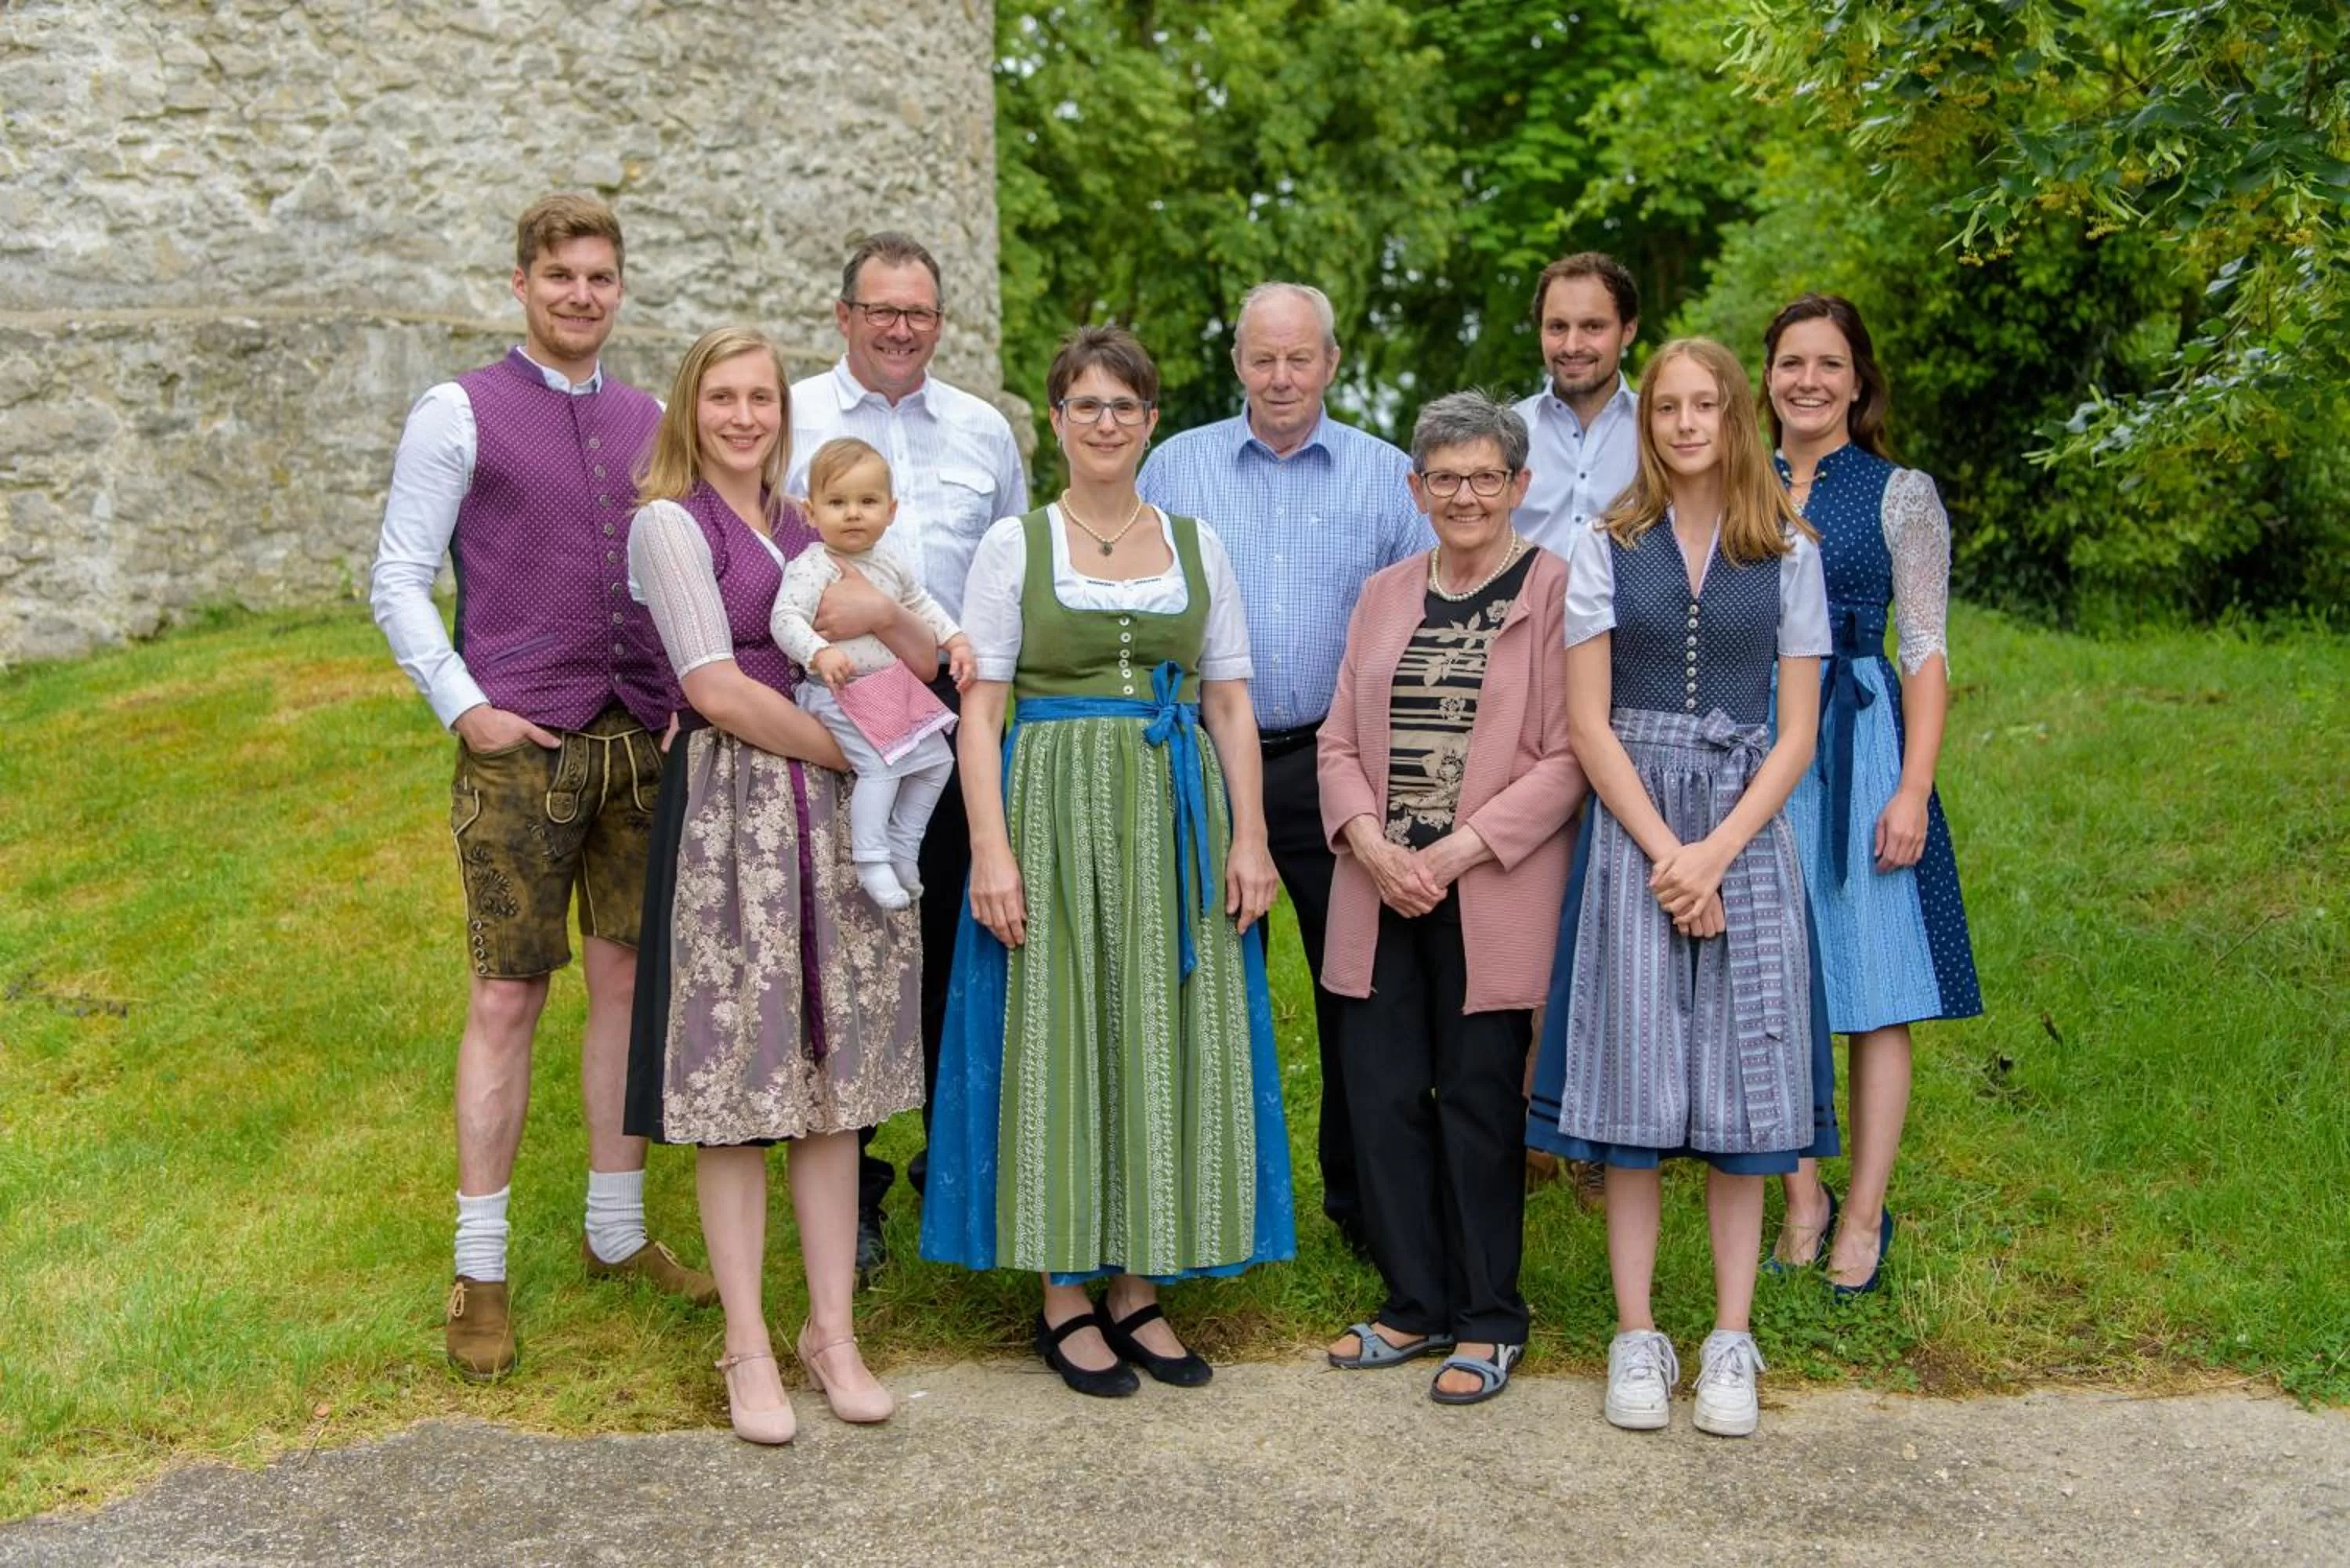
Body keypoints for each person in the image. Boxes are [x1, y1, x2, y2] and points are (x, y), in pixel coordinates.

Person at [370, 193, 714, 1382]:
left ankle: (616, 1232)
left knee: (626, 984)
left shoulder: (654, 418)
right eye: (561, 275)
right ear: (521, 283)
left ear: (622, 289)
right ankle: (481, 1265)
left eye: (601, 277)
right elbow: (399, 578)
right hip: (520, 743)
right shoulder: (460, 410)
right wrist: (461, 701)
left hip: (642, 746)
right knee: (507, 997)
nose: (582, 295)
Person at [922, 326, 1296, 1398]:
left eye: (1124, 407)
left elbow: (1228, 698)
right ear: (1055, 420)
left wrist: (1251, 835)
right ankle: (1061, 1288)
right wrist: (990, 849)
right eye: (1085, 405)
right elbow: (980, 710)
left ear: (1150, 420)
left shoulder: (1194, 539)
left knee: (1161, 1027)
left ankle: (1137, 1279)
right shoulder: (1016, 545)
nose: (1105, 423)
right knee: (1060, 1025)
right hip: (1047, 811)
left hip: (1172, 816)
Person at [622, 328, 934, 1443]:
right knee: (739, 1084)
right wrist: (861, 754)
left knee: (833, 1080)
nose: (745, 415)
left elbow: (918, 652)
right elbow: (713, 687)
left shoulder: (814, 526)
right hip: (738, 813)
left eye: (761, 396)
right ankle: (749, 1344)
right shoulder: (670, 522)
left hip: (830, 818)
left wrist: (894, 676)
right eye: (724, 396)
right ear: (689, 407)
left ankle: (832, 1333)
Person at [1525, 338, 1838, 1439]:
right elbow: (1589, 723)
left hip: (1747, 825)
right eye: (1668, 404)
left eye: (1707, 403)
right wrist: (1668, 851)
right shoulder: (1606, 541)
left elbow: (1797, 732)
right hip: (1636, 829)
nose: (1687, 421)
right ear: (1647, 418)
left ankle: (1731, 1338)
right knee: (1635, 1083)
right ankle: (1636, 1333)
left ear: (1735, 415)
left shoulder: (1788, 549)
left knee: (1745, 1091)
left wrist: (1717, 854)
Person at [1137, 281, 1428, 1256]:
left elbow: (1425, 630)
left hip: (1336, 768)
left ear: (1333, 363)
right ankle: (1210, 1204)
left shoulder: (1392, 480)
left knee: (1364, 999)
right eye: (1263, 358)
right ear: (1236, 366)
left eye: (1300, 357)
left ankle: (1366, 1208)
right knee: (1205, 992)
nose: (1281, 377)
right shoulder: (1174, 469)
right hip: (1203, 768)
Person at [1316, 392, 1585, 1404]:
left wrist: (1462, 848)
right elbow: (1338, 740)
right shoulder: (1385, 592)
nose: (1465, 494)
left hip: (1488, 887)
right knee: (1383, 1094)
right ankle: (1412, 1302)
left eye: (1485, 477)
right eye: (1445, 477)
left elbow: (1569, 756)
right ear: (1415, 487)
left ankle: (1489, 1315)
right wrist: (1375, 846)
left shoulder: (1555, 590)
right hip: (1380, 882)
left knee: (1478, 1097)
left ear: (1520, 486)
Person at [784, 233, 1030, 1273]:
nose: (899, 327)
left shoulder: (985, 430)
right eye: (881, 309)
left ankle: (950, 1162)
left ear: (941, 321)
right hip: (822, 709)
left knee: (937, 936)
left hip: (948, 711)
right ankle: (857, 1180)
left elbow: (1012, 570)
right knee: (839, 948)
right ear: (844, 315)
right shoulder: (791, 417)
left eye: (919, 312)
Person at [1759, 294, 1982, 1297]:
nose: (1808, 380)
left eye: (1829, 364)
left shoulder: (1900, 493)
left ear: (1858, 381)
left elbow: (1927, 648)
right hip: (1752, 741)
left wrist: (1914, 788)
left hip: (1860, 733)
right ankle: (1800, 1195)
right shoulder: (1732, 482)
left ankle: (1861, 1213)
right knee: (1771, 980)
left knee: (1873, 987)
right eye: (1791, 362)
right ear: (1766, 376)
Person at [772, 437, 974, 912]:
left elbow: (921, 605)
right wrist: (819, 653)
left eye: (867, 502)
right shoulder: (813, 567)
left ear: (892, 510)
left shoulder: (889, 563)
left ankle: (904, 844)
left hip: (887, 690)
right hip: (835, 690)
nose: (854, 514)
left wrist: (956, 640)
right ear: (810, 512)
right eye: (837, 503)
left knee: (939, 762)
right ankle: (871, 858)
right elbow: (785, 620)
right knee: (880, 765)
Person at [1511, 252, 1641, 559]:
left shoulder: (1659, 433)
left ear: (1629, 331)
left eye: (1593, 327)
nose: (1571, 346)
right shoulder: (1504, 435)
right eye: (1557, 327)